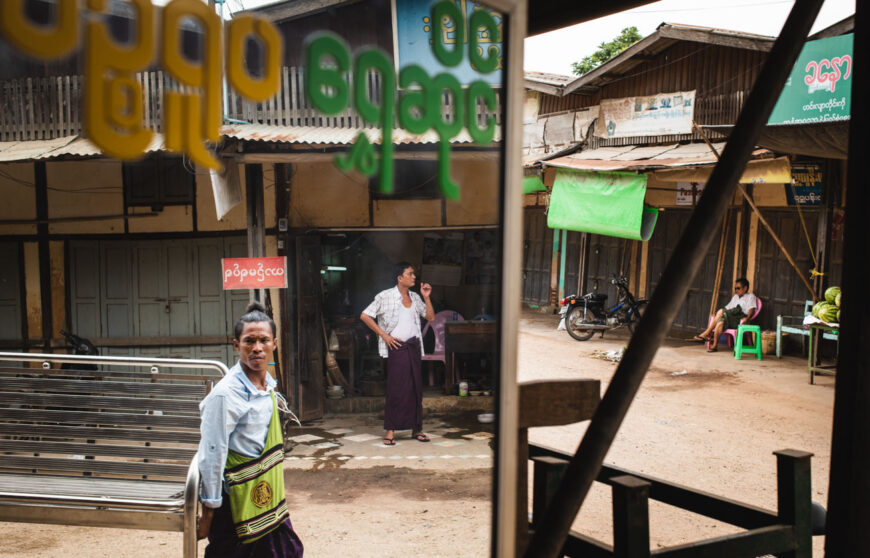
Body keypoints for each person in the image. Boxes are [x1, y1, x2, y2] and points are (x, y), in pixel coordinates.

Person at [197, 301, 304, 557]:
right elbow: (212, 452)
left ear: (274, 344)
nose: (257, 348)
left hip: (266, 497)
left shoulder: (267, 383)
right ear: (237, 345)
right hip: (235, 504)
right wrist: (209, 511)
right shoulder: (225, 395)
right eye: (249, 341)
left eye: (263, 340)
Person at [360, 261, 435, 446]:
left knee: (416, 389)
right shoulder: (385, 296)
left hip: (413, 346)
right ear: (400, 278)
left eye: (413, 274)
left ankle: (417, 429)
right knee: (396, 389)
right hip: (397, 348)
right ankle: (390, 430)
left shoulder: (416, 297)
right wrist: (384, 335)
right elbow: (365, 315)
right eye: (410, 274)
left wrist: (427, 297)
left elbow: (431, 317)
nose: (414, 277)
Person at [694, 277, 757, 352]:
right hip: (731, 317)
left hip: (740, 318)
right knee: (720, 321)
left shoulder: (751, 296)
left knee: (721, 311)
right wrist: (716, 314)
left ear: (745, 288)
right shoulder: (735, 297)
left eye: (738, 288)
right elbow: (727, 308)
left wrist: (747, 318)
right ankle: (714, 346)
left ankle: (707, 333)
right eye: (735, 288)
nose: (736, 290)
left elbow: (751, 309)